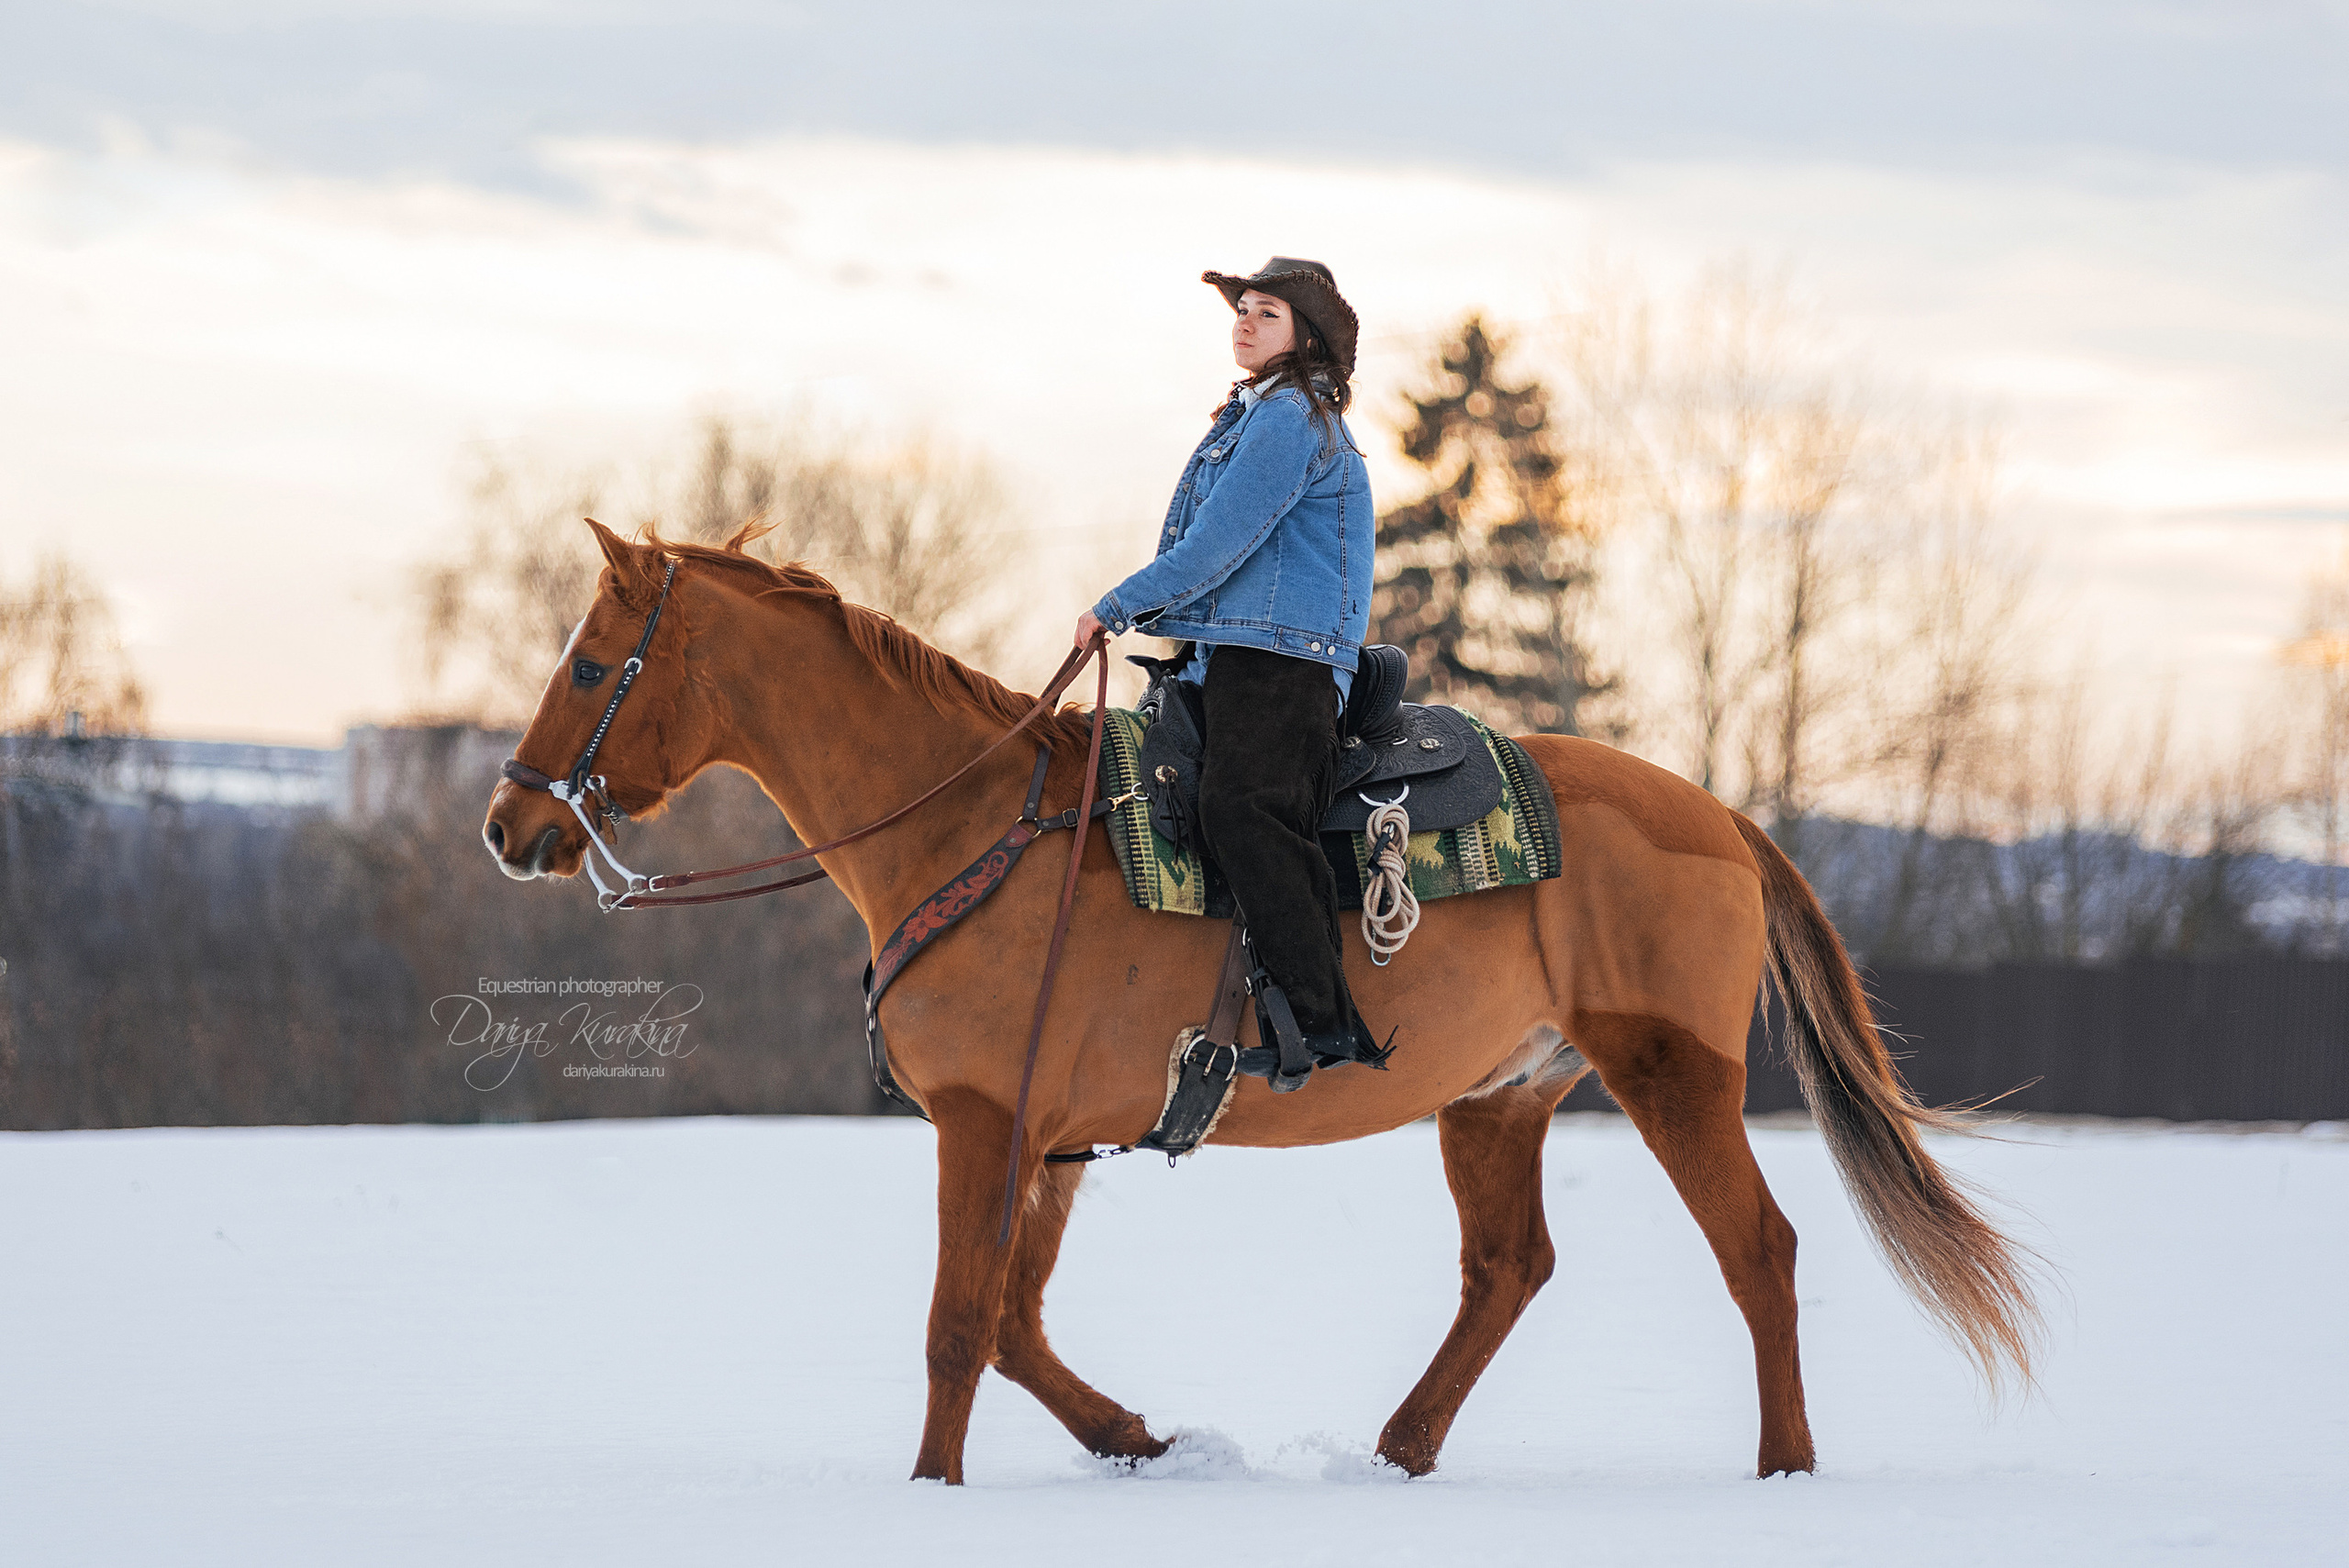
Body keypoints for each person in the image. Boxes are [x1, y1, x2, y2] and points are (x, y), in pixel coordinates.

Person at [1074, 256, 1376, 1077]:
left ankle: (1322, 1026)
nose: (1243, 321)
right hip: (1231, 654)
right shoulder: (1254, 415)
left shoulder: (1288, 423)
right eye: (1241, 308)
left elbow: (1215, 546)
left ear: (1305, 337)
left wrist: (1117, 605)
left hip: (1281, 663)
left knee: (1244, 810)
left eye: (1266, 313)